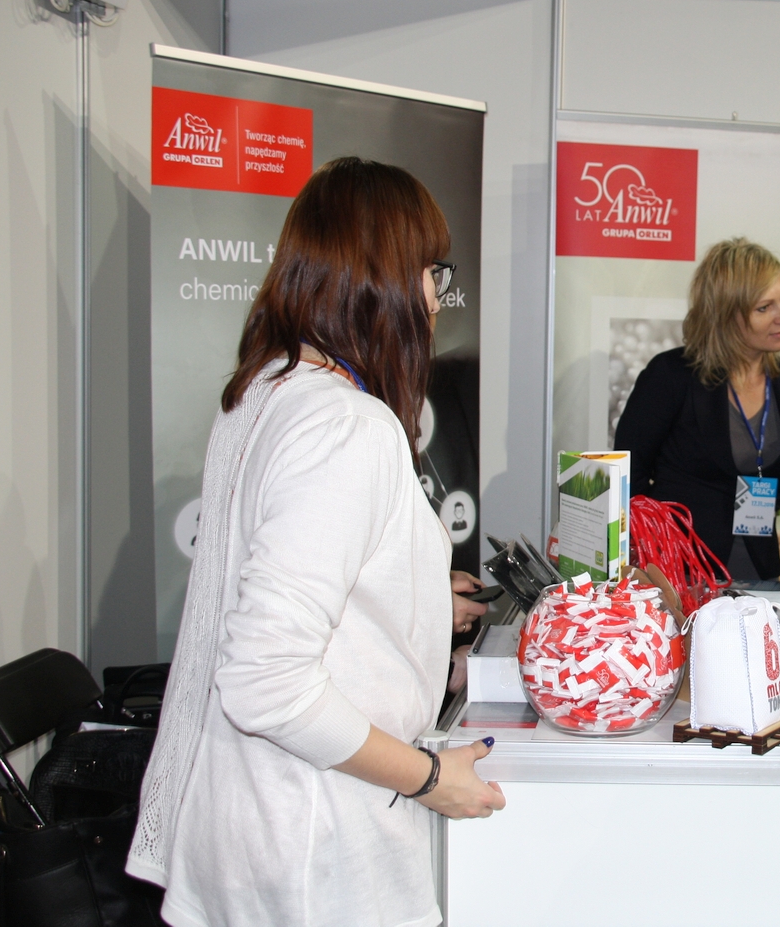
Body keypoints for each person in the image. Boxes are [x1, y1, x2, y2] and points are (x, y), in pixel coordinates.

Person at [127, 158, 504, 927]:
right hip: (312, 839)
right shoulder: (346, 425)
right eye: (431, 271)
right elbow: (266, 679)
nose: (438, 297)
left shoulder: (266, 390)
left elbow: (289, 575)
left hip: (255, 823)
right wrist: (431, 778)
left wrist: (421, 598)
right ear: (381, 280)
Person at [615, 237, 780, 582]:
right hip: (679, 573)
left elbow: (773, 476)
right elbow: (628, 476)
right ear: (725, 314)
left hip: (758, 571)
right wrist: (653, 553)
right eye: (764, 308)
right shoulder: (672, 375)